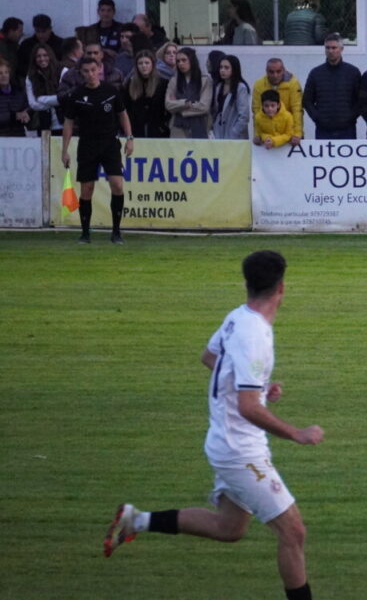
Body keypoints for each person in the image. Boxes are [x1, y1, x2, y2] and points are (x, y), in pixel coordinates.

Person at [102, 250, 324, 600]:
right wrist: (296, 433)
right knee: (293, 531)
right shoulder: (255, 335)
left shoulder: (238, 318)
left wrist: (260, 386)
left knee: (229, 528)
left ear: (247, 284)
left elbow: (211, 358)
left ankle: (136, 520)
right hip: (240, 450)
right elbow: (248, 407)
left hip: (226, 441)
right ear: (281, 288)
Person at [59, 56, 134, 244]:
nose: (90, 74)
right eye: (86, 71)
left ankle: (116, 232)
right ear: (81, 73)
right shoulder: (76, 95)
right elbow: (68, 122)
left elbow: (122, 115)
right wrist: (64, 149)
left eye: (93, 70)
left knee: (117, 184)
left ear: (99, 68)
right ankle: (85, 234)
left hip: (109, 143)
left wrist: (129, 138)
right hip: (87, 145)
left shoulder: (111, 91)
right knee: (87, 189)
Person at [303, 33, 361, 139]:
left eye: (334, 48)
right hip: (323, 130)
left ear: (341, 49)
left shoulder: (353, 72)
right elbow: (307, 100)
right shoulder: (316, 73)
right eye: (327, 48)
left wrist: (351, 117)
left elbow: (361, 100)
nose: (330, 51)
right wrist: (317, 118)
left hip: (347, 130)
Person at [252, 58, 303, 146]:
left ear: (283, 70)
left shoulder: (293, 83)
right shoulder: (259, 85)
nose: (275, 75)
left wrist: (297, 133)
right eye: (271, 72)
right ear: (266, 71)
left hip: (289, 134)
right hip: (267, 135)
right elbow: (256, 111)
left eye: (278, 71)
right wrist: (257, 134)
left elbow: (297, 109)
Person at [165, 47, 212, 138]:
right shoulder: (174, 81)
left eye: (184, 60)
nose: (180, 63)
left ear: (192, 60)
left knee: (198, 152)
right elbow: (168, 105)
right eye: (178, 61)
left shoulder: (205, 80)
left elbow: (204, 106)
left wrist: (179, 107)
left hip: (199, 125)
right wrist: (186, 103)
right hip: (178, 127)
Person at [122, 49, 170, 139]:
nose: (144, 66)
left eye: (147, 63)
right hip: (135, 130)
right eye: (140, 63)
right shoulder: (130, 83)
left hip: (157, 131)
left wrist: (163, 126)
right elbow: (125, 107)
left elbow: (167, 108)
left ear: (153, 64)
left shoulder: (163, 83)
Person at [25, 44, 64, 134]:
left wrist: (40, 99)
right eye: (38, 56)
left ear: (50, 55)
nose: (42, 59)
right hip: (44, 124)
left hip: (64, 123)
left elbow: (64, 98)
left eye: (45, 55)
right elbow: (33, 104)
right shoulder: (30, 76)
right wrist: (55, 102)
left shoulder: (62, 71)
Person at [211, 55, 250, 140]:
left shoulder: (241, 88)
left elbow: (244, 116)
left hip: (235, 136)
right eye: (221, 67)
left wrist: (234, 132)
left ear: (234, 69)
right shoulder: (218, 86)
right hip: (219, 133)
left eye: (226, 68)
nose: (222, 70)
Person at [17, 14, 63, 80]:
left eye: (43, 32)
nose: (40, 35)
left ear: (50, 29)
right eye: (37, 31)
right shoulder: (26, 45)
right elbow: (20, 66)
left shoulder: (60, 44)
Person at [0, 59, 30, 136]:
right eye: (0, 73)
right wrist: (14, 116)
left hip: (19, 137)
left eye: (6, 72)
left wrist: (27, 114)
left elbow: (28, 108)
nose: (4, 75)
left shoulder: (19, 92)